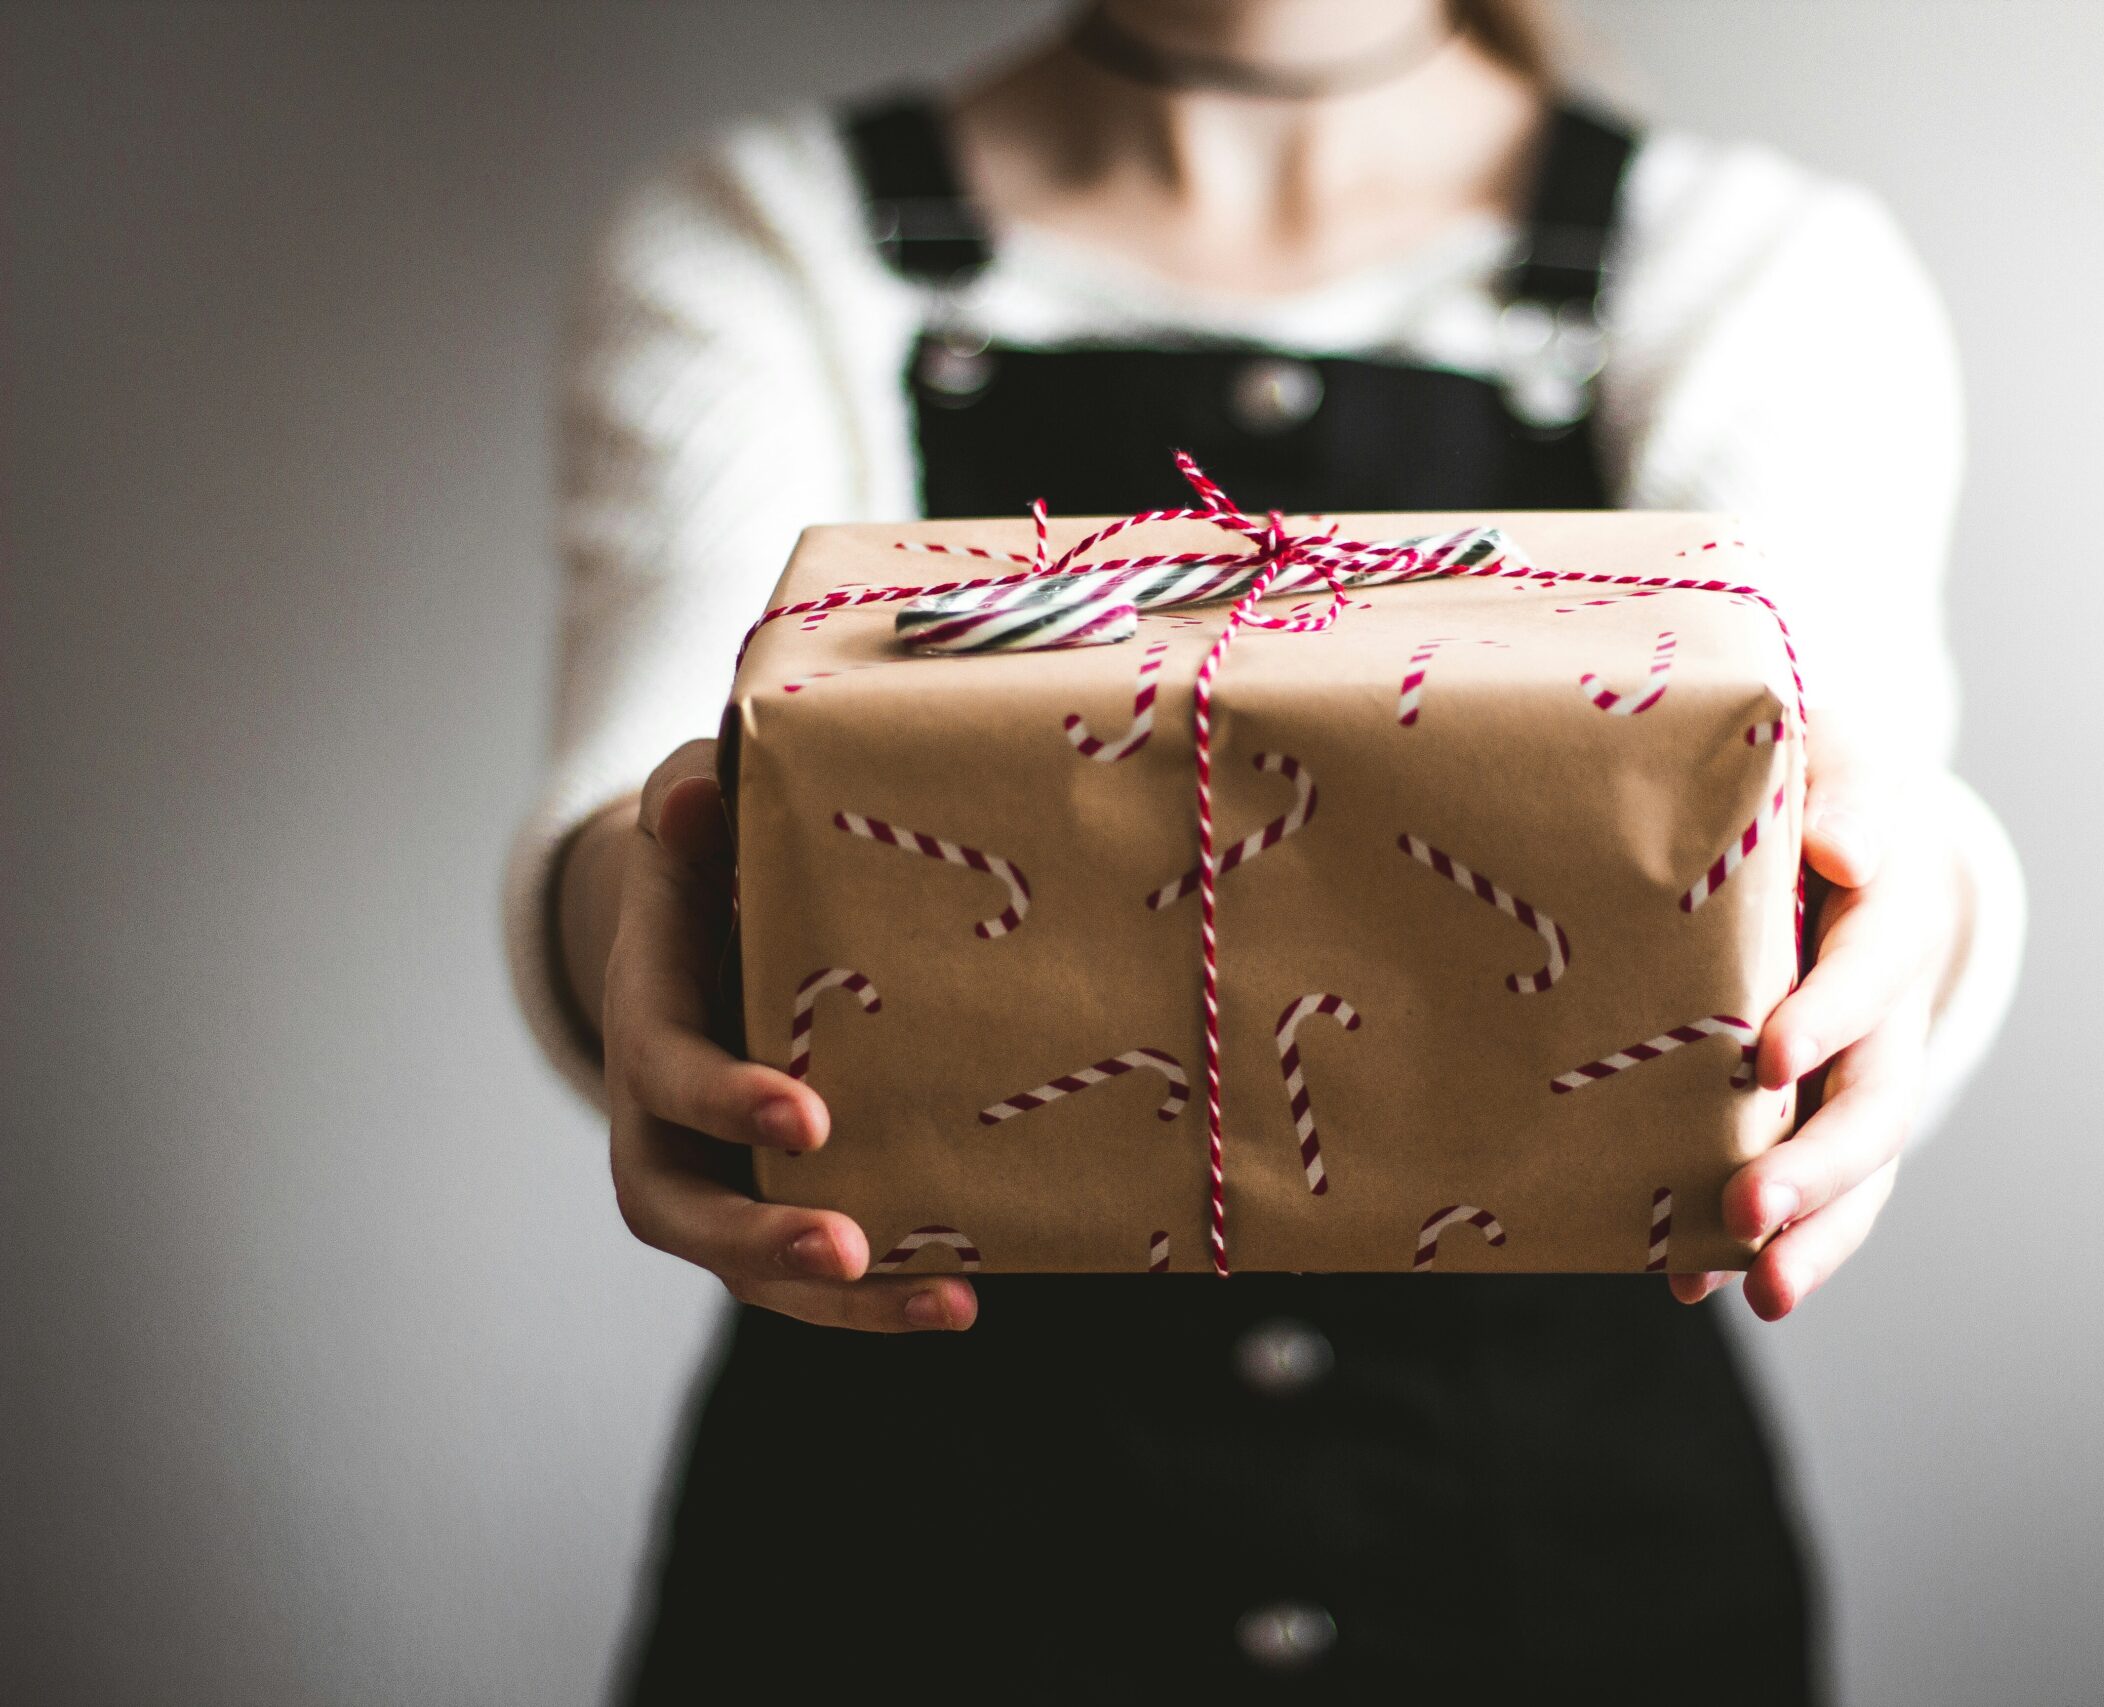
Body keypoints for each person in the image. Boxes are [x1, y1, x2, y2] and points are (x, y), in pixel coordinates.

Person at [504, 0, 2026, 1696]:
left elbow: (1853, 772)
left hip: (1568, 1592)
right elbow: (654, 780)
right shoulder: (769, 243)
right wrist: (635, 928)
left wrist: (1918, 907)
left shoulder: (1751, 264)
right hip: (902, 1593)